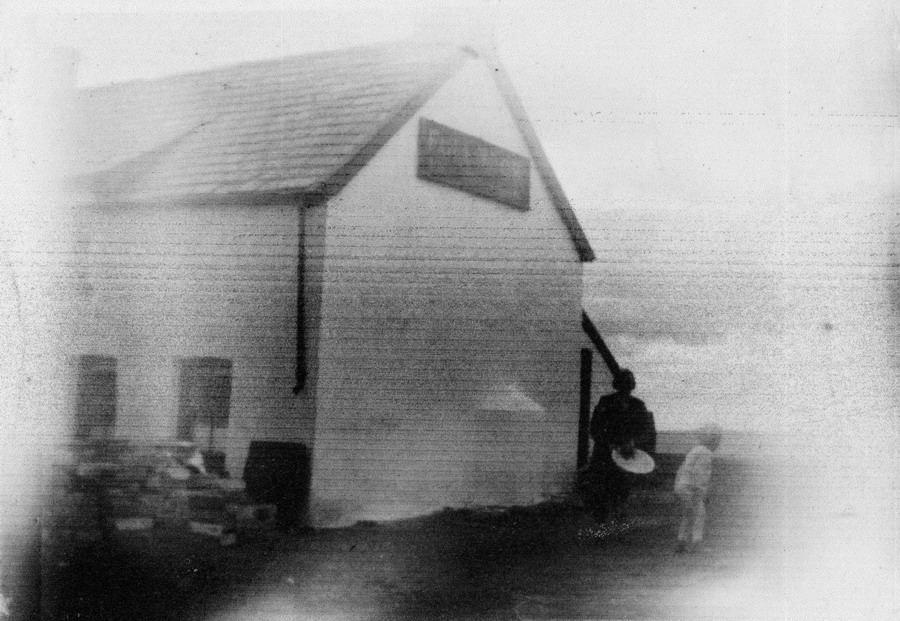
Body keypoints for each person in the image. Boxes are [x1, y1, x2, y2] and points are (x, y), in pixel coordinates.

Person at [585, 369, 656, 522]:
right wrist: (609, 443)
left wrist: (633, 442)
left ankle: (618, 521)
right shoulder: (605, 402)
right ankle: (601, 524)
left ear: (633, 385)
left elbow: (646, 430)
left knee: (622, 490)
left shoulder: (638, 405)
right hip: (604, 455)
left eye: (629, 383)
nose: (627, 387)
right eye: (624, 383)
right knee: (601, 491)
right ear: (617, 384)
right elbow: (595, 428)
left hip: (626, 455)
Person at [674, 424, 722, 553]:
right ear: (711, 441)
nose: (717, 444)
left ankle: (681, 542)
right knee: (699, 514)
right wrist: (699, 490)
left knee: (689, 514)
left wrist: (677, 485)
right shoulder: (706, 453)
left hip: (683, 486)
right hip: (692, 488)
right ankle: (696, 543)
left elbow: (682, 469)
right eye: (716, 441)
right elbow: (700, 473)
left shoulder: (694, 450)